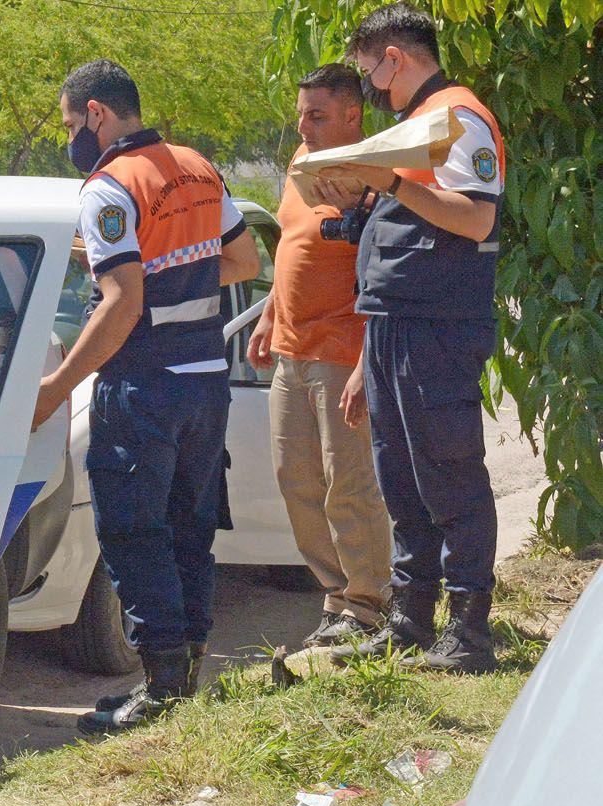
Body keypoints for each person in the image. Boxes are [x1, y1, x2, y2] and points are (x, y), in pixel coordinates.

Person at [32, 58, 260, 733]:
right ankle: (184, 673)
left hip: (144, 389)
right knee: (189, 530)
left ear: (97, 114)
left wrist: (54, 387)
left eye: (73, 124)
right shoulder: (195, 165)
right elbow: (244, 262)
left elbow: (122, 302)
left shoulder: (108, 187)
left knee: (133, 531)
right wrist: (172, 280)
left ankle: (161, 688)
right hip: (204, 385)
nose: (73, 137)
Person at [319, 2, 505, 674]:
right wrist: (361, 198)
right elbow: (404, 229)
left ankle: (469, 632)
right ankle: (410, 622)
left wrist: (392, 180)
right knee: (401, 479)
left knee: (448, 471)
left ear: (394, 57)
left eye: (370, 70)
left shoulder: (459, 119)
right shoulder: (413, 127)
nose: (371, 84)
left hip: (439, 326)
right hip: (396, 322)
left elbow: (478, 219)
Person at [246, 64, 392, 649]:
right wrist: (268, 314)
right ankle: (339, 600)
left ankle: (369, 603)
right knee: (295, 480)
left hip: (342, 352)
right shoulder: (298, 166)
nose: (303, 124)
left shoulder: (376, 179)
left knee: (349, 485)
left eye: (318, 114)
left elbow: (386, 276)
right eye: (301, 112)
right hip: (291, 352)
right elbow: (292, 247)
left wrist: (365, 363)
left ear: (353, 116)